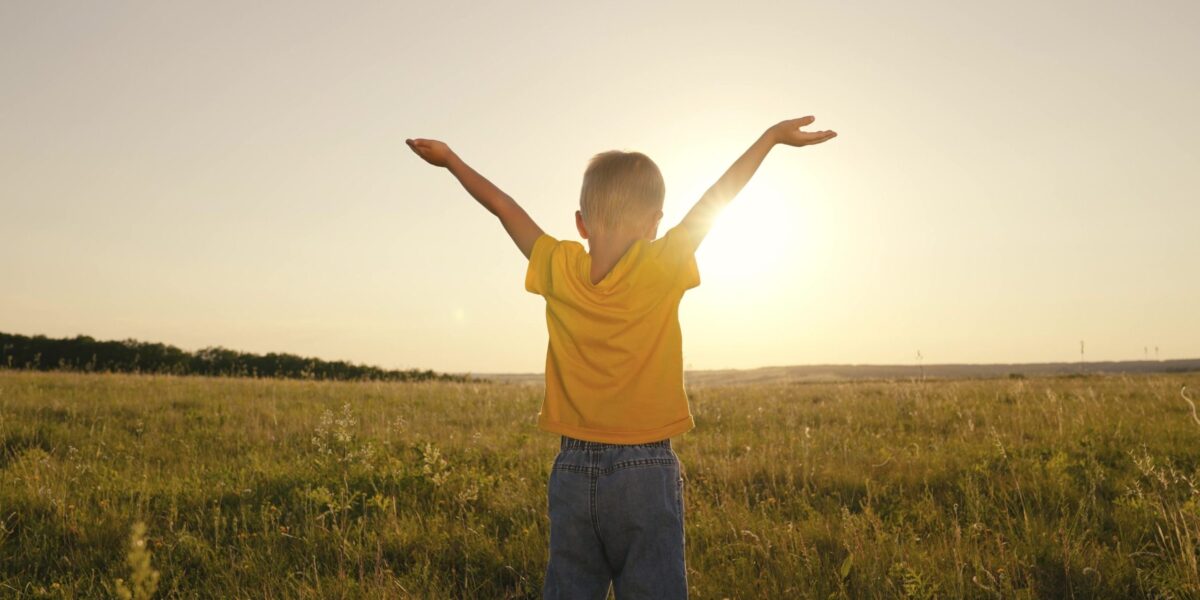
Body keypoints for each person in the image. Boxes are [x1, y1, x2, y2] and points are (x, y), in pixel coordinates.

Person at [406, 116, 837, 599]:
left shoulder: (558, 265)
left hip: (571, 469)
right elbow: (718, 196)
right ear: (655, 225)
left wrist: (450, 161)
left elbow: (503, 206)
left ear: (580, 223)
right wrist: (771, 139)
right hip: (646, 471)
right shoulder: (664, 262)